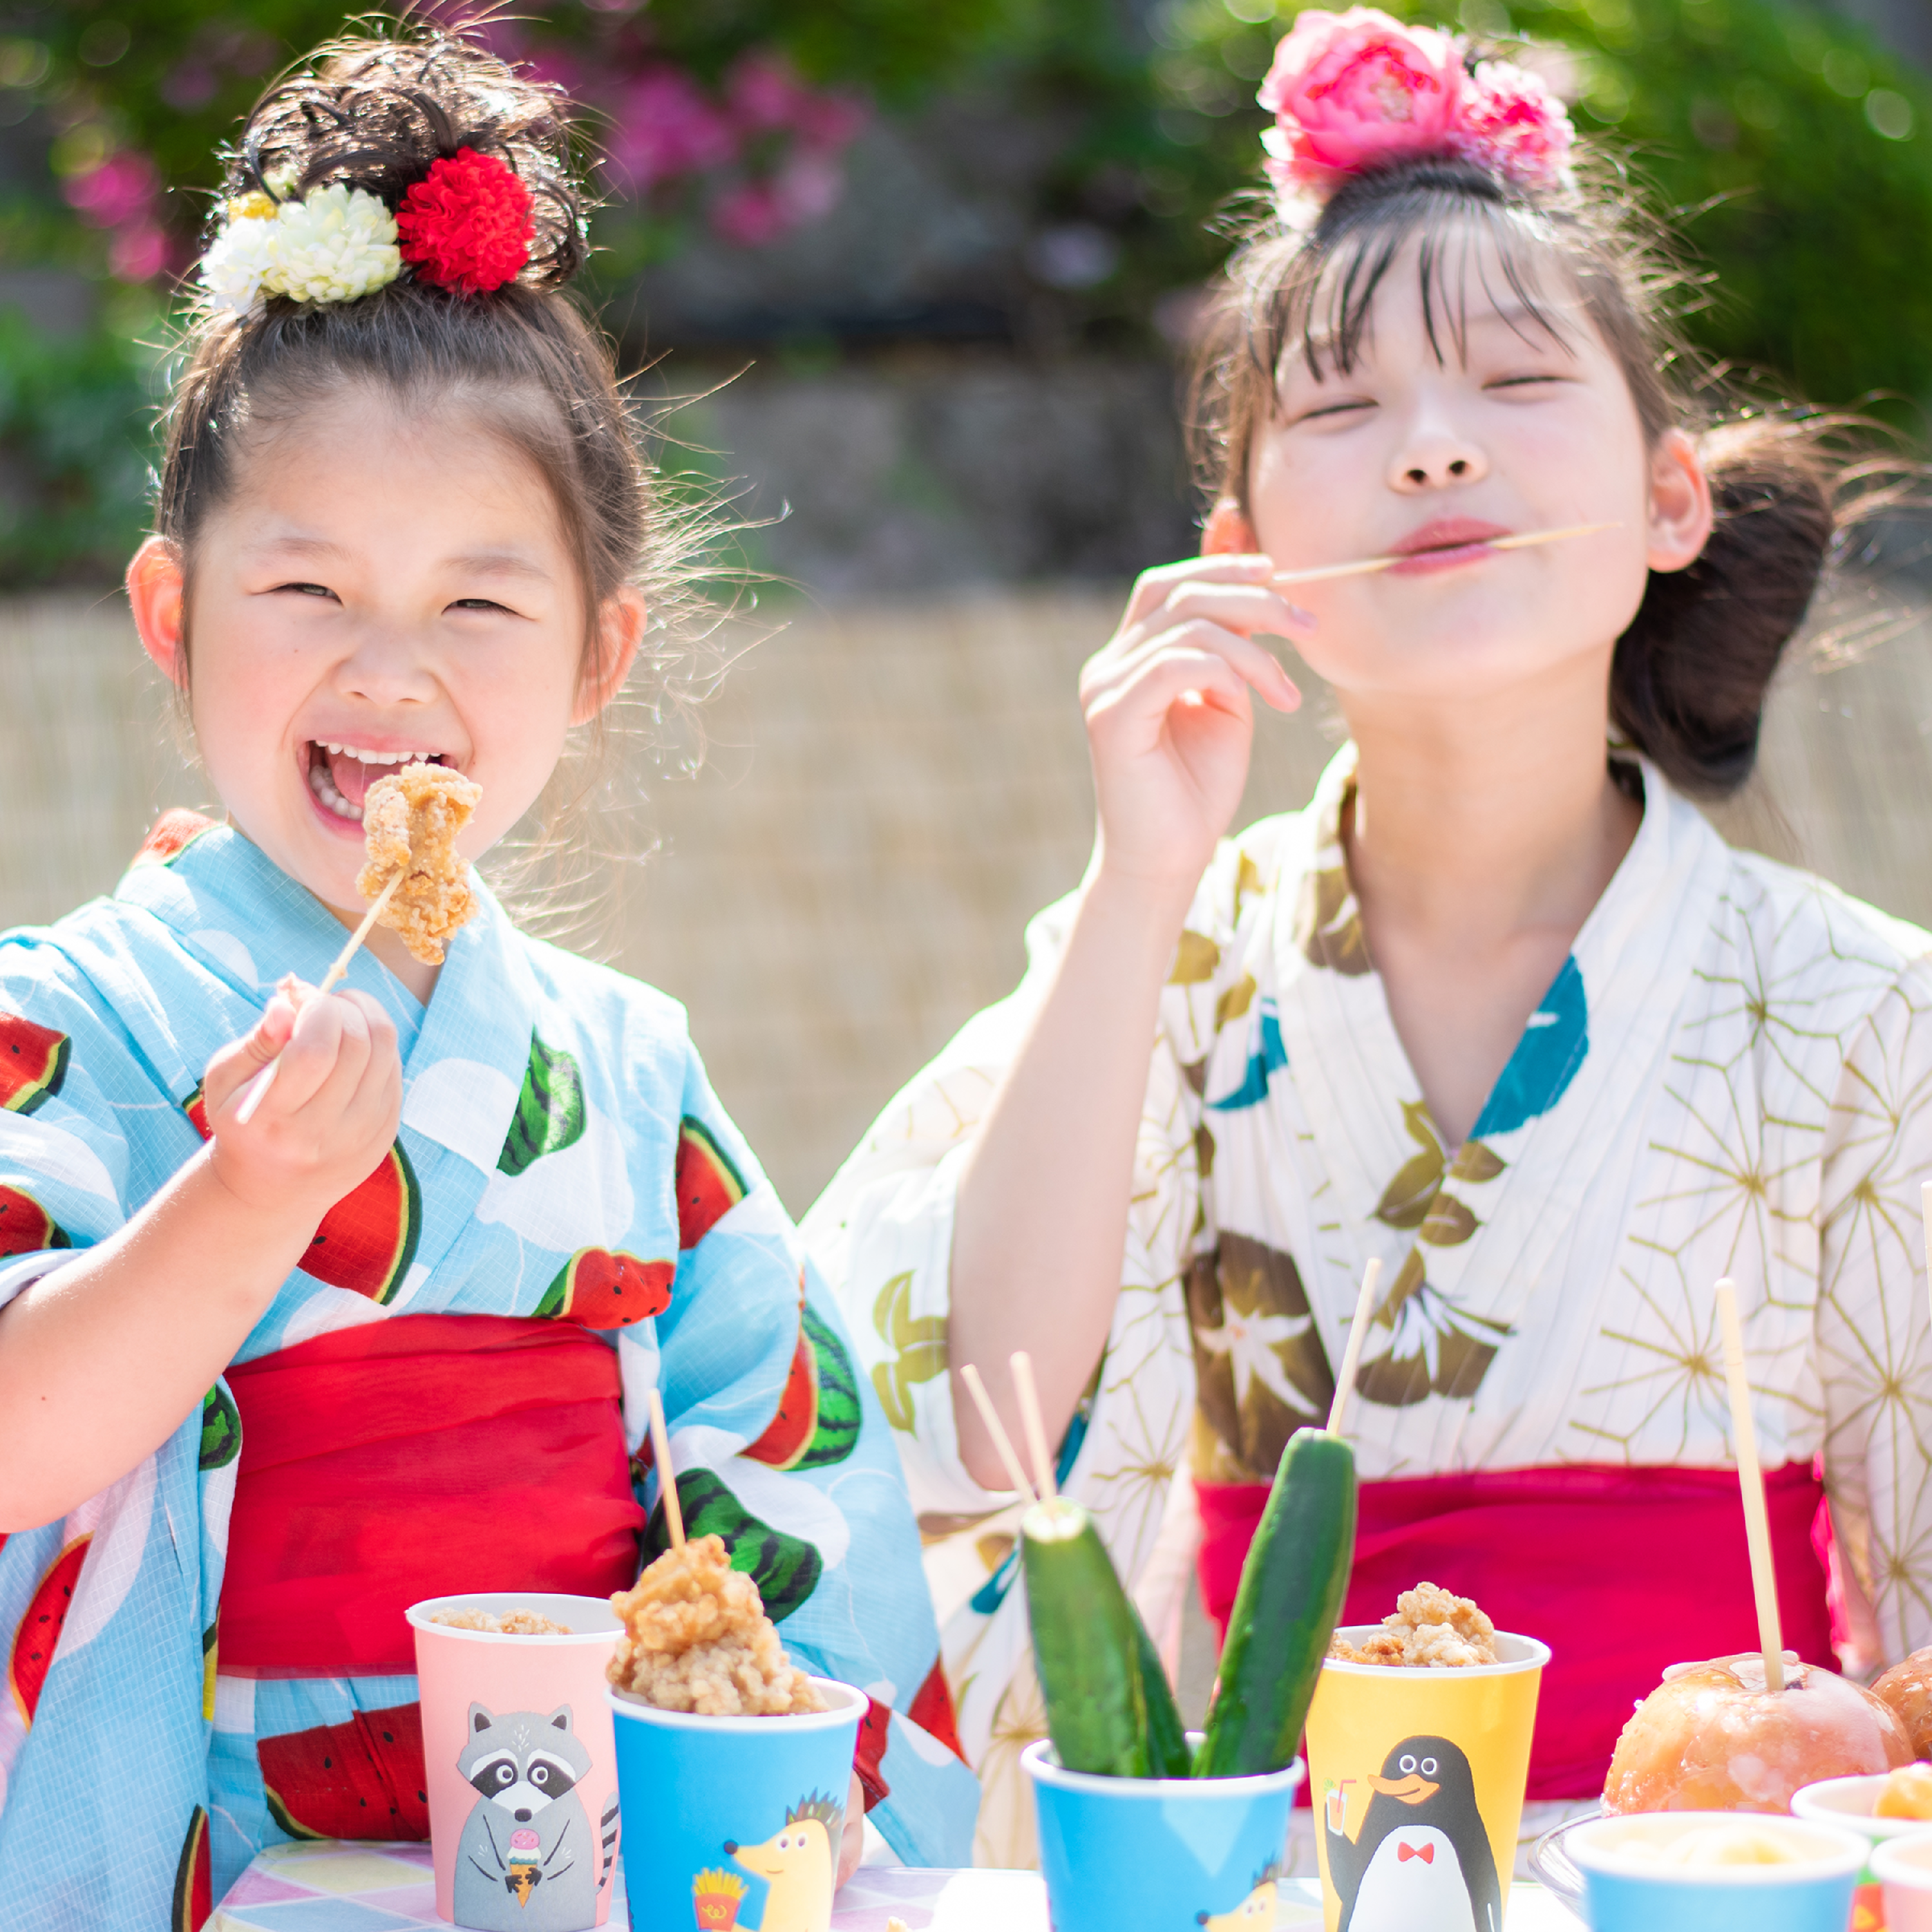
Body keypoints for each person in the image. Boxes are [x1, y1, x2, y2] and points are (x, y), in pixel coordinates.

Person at [806, 6, 1932, 1868]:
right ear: (1245, 547)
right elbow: (994, 1427)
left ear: (1669, 500)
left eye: (1512, 383)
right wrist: (1134, 883)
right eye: (1341, 410)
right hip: (1278, 1872)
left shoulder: (1870, 1019)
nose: (1429, 452)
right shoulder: (1165, 960)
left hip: (1724, 1870)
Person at [0, 31, 975, 1927]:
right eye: (308, 593)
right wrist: (246, 1200)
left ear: (599, 655)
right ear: (171, 618)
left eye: (478, 601)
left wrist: (788, 1795)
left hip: (577, 1836)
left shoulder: (624, 1066)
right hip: (205, 1839)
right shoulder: (68, 1023)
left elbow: (784, 1489)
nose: (390, 669)